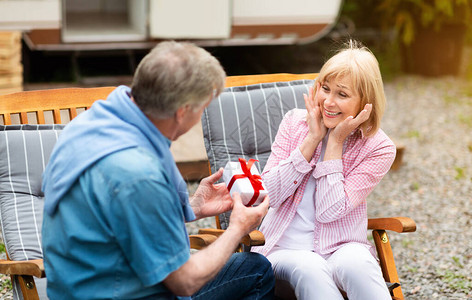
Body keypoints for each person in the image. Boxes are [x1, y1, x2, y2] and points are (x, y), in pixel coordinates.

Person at [41, 41, 274, 300]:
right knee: (257, 272)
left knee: (253, 269)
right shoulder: (138, 174)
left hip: (78, 284)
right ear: (183, 111)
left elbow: (117, 217)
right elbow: (184, 282)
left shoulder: (89, 124)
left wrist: (193, 207)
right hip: (117, 293)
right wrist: (237, 229)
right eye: (202, 107)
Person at [251, 40, 396, 300]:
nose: (328, 102)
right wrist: (311, 140)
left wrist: (335, 144)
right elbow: (268, 192)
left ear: (366, 103)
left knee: (360, 266)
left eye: (342, 94)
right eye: (325, 89)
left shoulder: (379, 147)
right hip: (284, 248)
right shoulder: (295, 122)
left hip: (342, 245)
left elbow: (331, 211)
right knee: (311, 267)